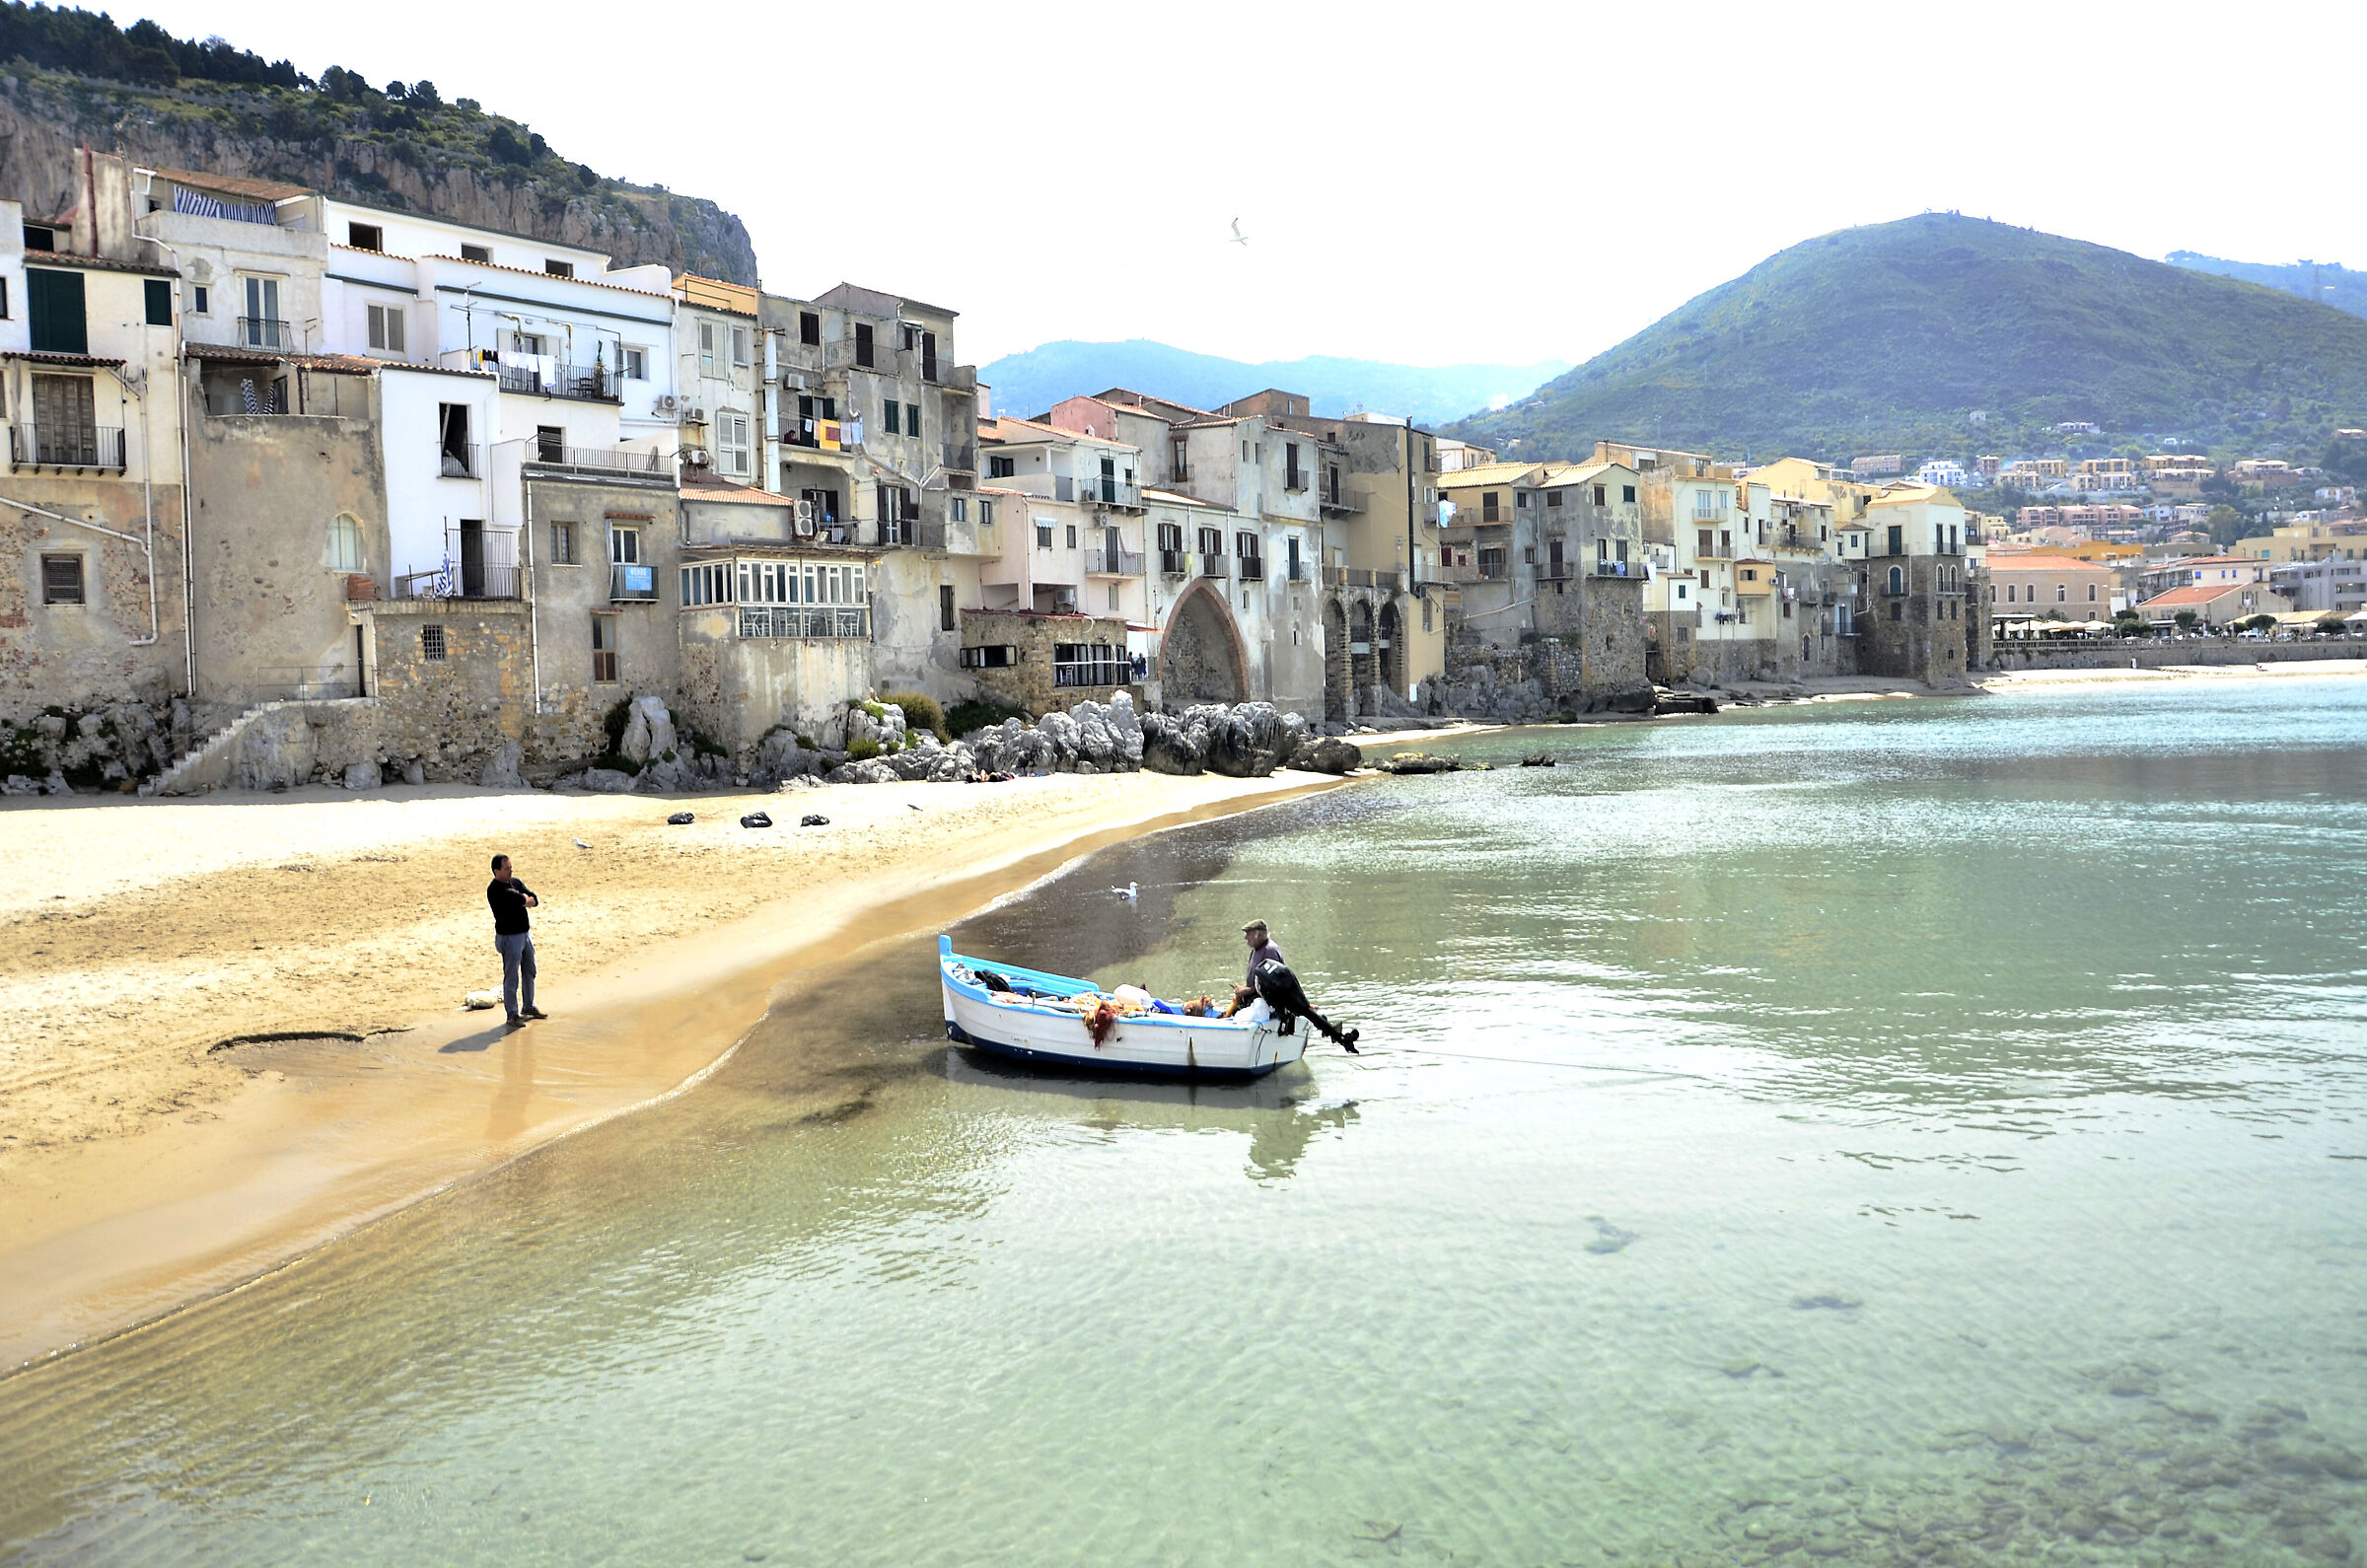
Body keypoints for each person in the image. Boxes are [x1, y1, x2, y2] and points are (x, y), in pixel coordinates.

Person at [486, 854, 545, 1026]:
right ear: (496, 871)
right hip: (509, 937)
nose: (510, 871)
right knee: (511, 976)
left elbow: (534, 899)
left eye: (510, 867)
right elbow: (521, 899)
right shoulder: (496, 890)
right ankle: (512, 1014)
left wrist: (526, 900)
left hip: (524, 934)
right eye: (506, 869)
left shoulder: (516, 883)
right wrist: (525, 900)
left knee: (530, 970)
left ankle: (528, 1006)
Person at [1233, 919, 1284, 1012]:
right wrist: (1244, 988)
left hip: (1266, 1006)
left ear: (1259, 934)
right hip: (1254, 1002)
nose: (1246, 937)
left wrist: (1249, 990)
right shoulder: (1256, 950)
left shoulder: (1270, 950)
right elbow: (1257, 979)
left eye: (1248, 934)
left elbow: (1273, 983)